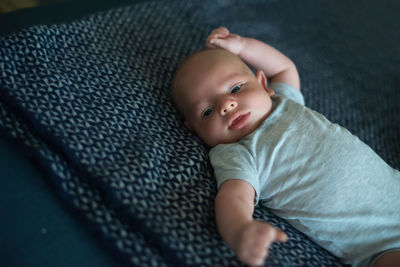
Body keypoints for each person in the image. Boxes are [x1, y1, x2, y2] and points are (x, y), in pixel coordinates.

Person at [171, 27, 400, 267]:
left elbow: (283, 68)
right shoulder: (236, 154)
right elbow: (234, 197)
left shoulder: (282, 101)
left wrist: (242, 46)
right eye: (207, 111)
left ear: (262, 84)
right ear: (194, 129)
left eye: (236, 88)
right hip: (378, 245)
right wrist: (239, 230)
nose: (226, 105)